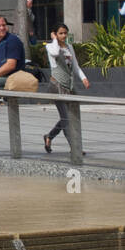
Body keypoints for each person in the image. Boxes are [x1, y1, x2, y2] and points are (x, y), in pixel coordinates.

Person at [43, 24, 90, 154]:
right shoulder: (50, 46)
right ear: (55, 34)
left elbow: (75, 65)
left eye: (65, 33)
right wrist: (53, 39)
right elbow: (55, 52)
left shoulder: (69, 47)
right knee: (66, 117)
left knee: (70, 116)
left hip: (68, 86)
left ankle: (49, 136)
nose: (63, 36)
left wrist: (83, 78)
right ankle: (75, 148)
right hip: (56, 85)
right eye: (61, 33)